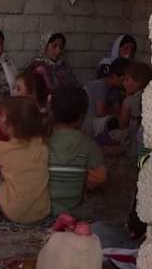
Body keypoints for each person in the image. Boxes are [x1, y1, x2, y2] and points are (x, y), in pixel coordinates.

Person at [0, 97, 50, 223]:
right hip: (41, 210)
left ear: (11, 125)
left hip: (13, 211)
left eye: (1, 117)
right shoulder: (42, 145)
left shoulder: (0, 148)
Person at [48, 86, 107, 215]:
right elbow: (100, 178)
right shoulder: (89, 143)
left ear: (51, 112)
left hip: (43, 204)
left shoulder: (43, 139)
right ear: (82, 117)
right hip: (73, 205)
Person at [82, 57, 130, 137]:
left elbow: (118, 111)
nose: (124, 83)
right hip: (88, 127)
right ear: (114, 76)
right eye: (123, 80)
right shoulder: (100, 85)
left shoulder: (115, 90)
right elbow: (100, 112)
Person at [118, 62, 152, 157]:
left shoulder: (128, 101)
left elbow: (122, 125)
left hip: (134, 140)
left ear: (138, 82)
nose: (123, 83)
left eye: (127, 80)